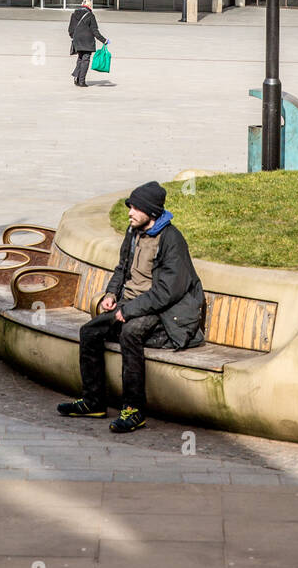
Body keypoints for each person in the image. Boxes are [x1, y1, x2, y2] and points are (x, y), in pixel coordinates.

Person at [57, 181, 205, 433]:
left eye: (136, 208)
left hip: (162, 310)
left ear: (152, 211)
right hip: (131, 303)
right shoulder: (133, 232)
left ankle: (134, 410)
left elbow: (166, 292)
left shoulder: (171, 240)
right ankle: (93, 402)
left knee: (130, 333)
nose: (130, 212)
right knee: (89, 332)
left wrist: (128, 310)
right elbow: (122, 268)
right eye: (130, 207)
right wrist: (112, 293)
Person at [68, 0, 108, 87]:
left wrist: (74, 37)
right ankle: (81, 81)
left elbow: (70, 29)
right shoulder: (90, 15)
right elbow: (95, 31)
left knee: (80, 58)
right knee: (85, 59)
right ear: (90, 6)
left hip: (77, 39)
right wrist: (104, 40)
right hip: (87, 41)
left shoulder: (74, 14)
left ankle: (77, 77)